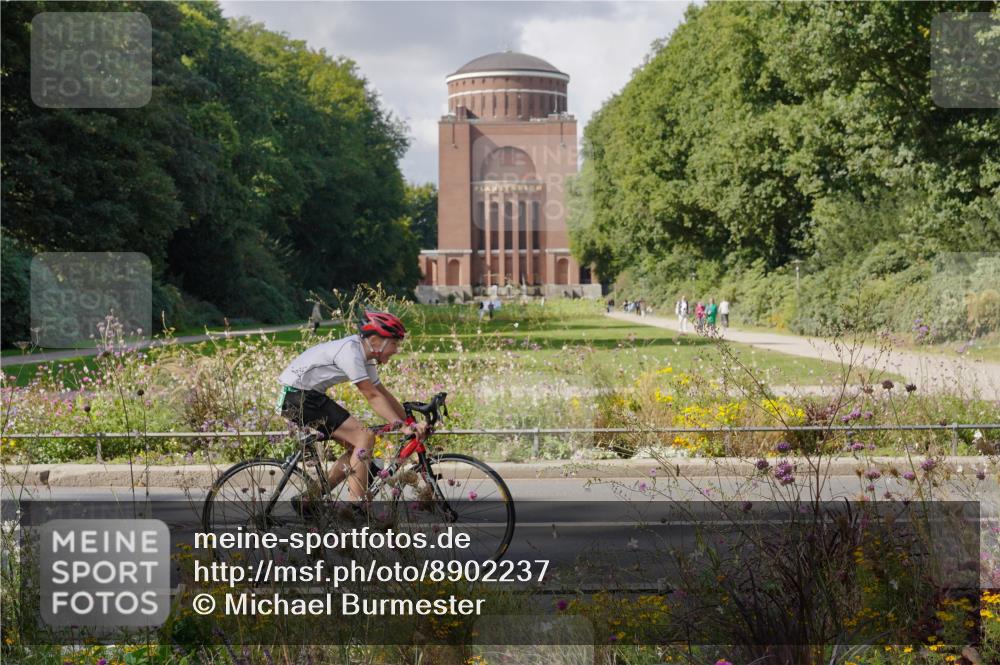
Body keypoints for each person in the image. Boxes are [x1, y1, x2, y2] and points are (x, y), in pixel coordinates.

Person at [277, 311, 426, 507]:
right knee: (365, 439)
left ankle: (309, 500)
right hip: (299, 398)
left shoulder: (365, 355)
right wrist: (401, 426)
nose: (397, 350)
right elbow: (371, 396)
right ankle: (356, 509)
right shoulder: (350, 352)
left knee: (360, 452)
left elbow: (382, 393)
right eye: (394, 343)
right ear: (375, 340)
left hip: (309, 396)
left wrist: (409, 423)